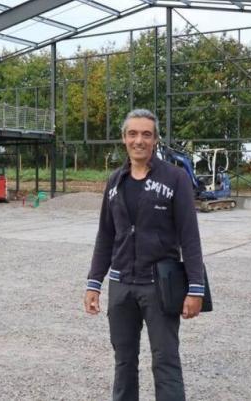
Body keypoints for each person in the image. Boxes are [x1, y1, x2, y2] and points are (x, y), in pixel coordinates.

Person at [84, 109, 205, 401]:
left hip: (159, 286)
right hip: (122, 285)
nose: (139, 140)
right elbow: (106, 235)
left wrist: (196, 288)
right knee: (124, 361)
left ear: (155, 140)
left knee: (166, 360)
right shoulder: (115, 181)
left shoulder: (175, 178)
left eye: (146, 134)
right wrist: (93, 283)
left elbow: (190, 236)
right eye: (133, 134)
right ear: (124, 139)